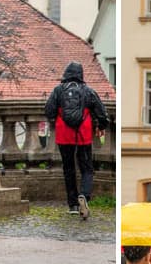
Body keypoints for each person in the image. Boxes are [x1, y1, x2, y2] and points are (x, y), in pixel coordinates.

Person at [45, 61, 108, 219]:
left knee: (68, 168)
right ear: (81, 75)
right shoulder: (88, 91)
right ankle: (84, 196)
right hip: (83, 132)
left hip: (64, 133)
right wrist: (101, 125)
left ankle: (72, 204)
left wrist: (56, 118)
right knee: (86, 168)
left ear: (66, 74)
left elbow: (49, 110)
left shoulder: (58, 90)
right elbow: (101, 112)